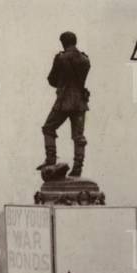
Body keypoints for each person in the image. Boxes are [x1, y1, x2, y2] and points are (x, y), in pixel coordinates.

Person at [38, 31, 91, 177]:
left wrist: (62, 83)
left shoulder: (60, 58)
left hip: (64, 101)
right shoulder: (85, 59)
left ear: (63, 42)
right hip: (80, 102)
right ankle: (77, 168)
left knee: (48, 128)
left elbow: (51, 79)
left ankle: (51, 160)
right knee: (78, 136)